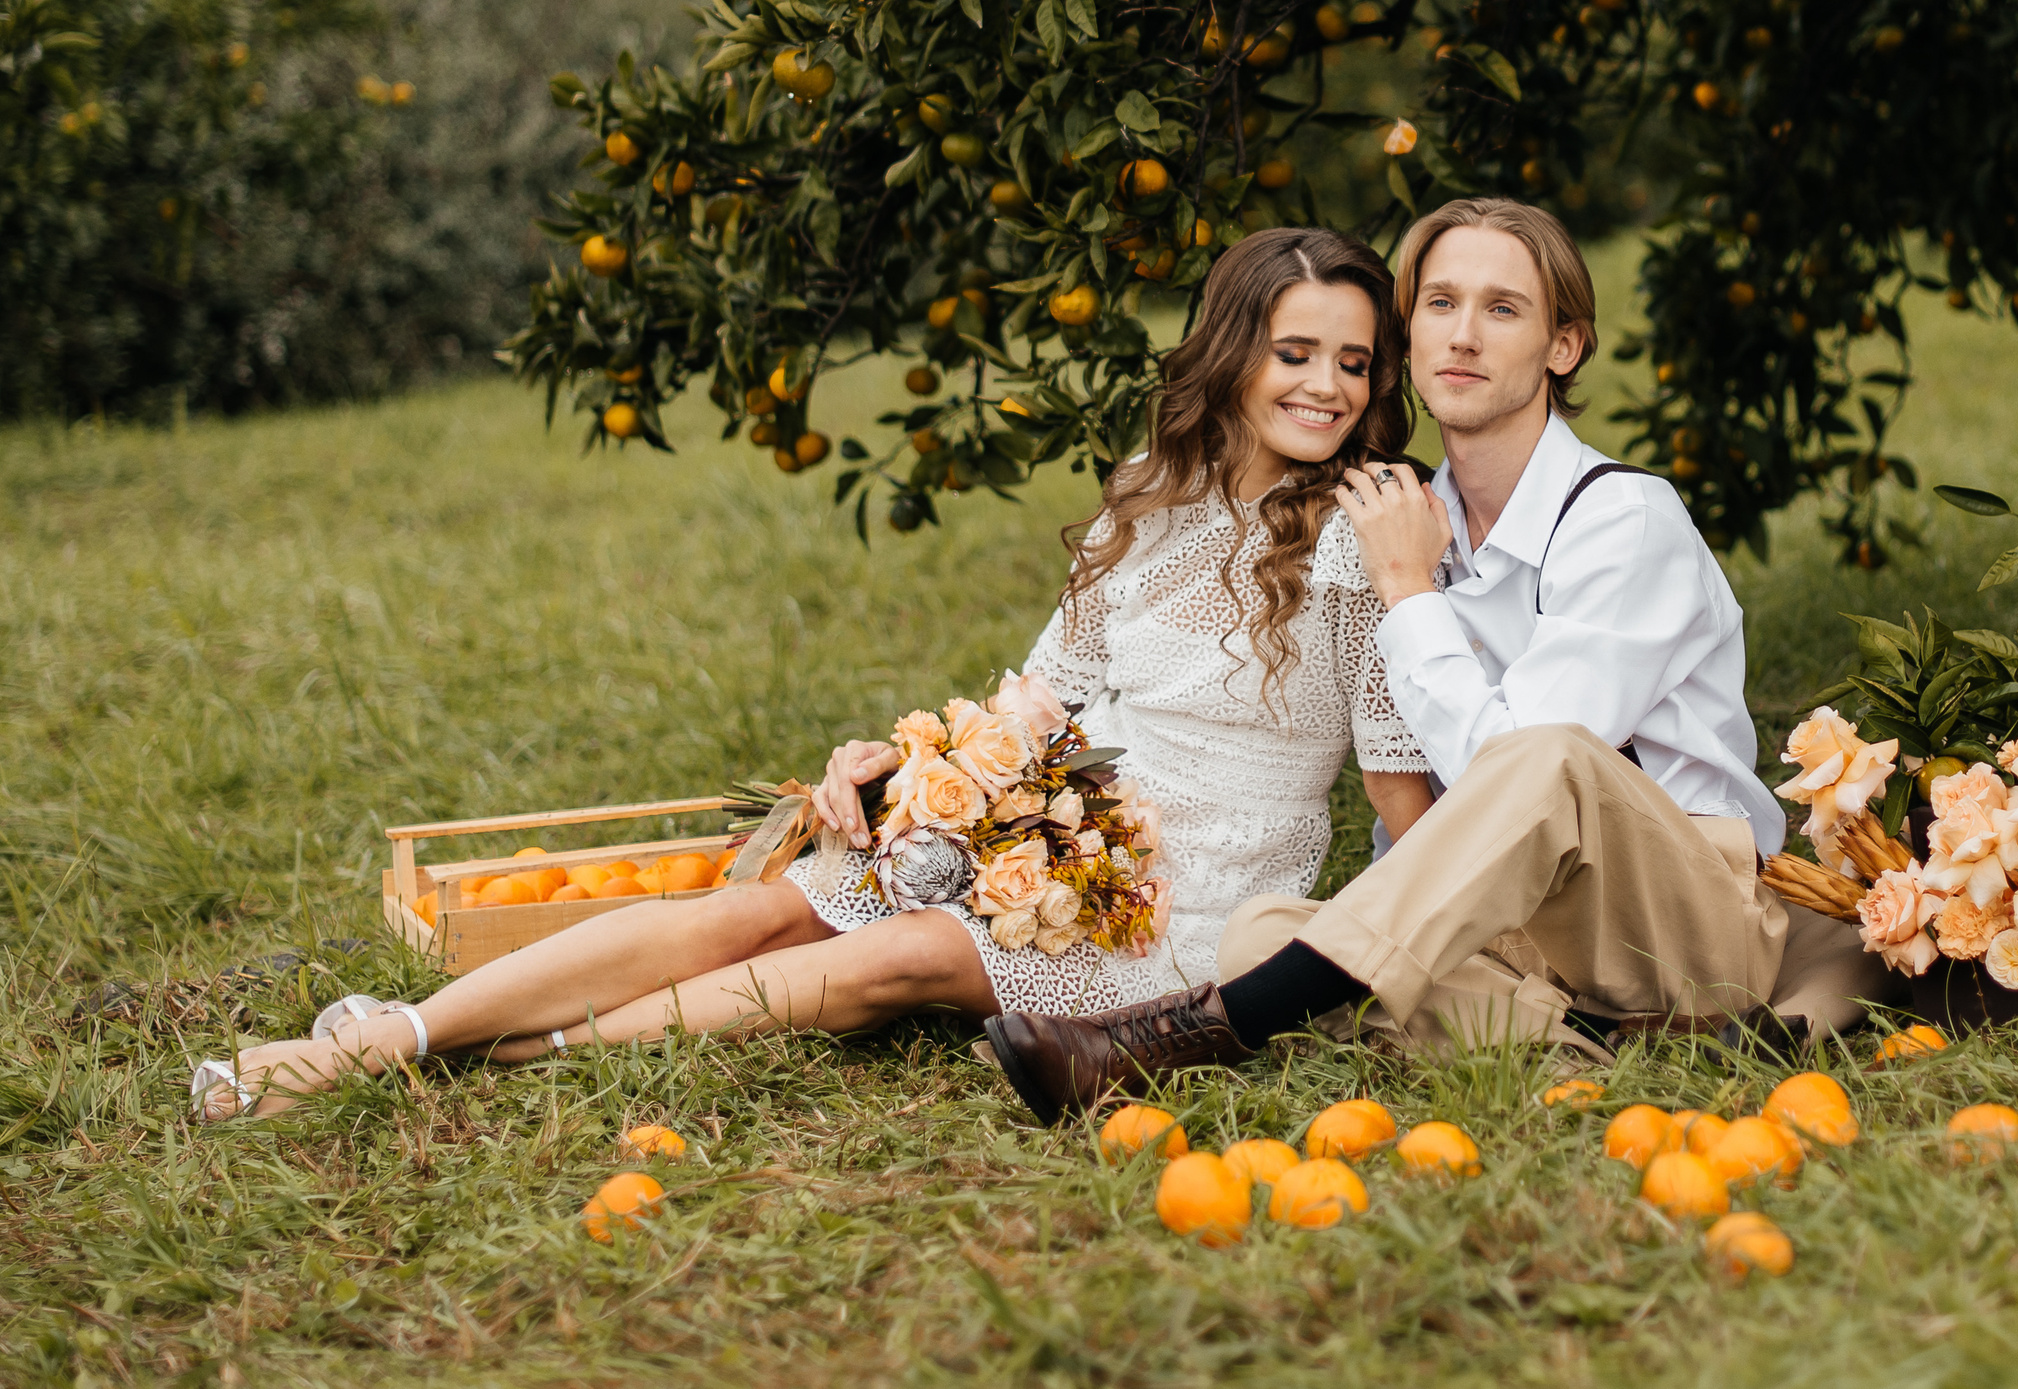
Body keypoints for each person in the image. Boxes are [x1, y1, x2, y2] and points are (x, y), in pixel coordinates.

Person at [191, 227, 1434, 1121]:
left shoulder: (1368, 529)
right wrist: (919, 762)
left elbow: (1398, 797)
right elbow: (1042, 692)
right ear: (1231, 354)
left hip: (1190, 904)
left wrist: (1373, 967)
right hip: (1052, 817)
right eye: (1297, 352)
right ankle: (400, 1032)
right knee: (763, 909)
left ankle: (463, 1056)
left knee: (884, 961)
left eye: (1356, 362)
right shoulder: (1146, 496)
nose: (1328, 385)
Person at [980, 197, 1894, 1125]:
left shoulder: (1623, 521)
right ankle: (1602, 1037)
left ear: (1562, 346)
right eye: (1440, 304)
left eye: (1503, 309)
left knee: (1549, 753)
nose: (1464, 335)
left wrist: (1411, 593)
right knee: (1259, 934)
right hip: (1512, 937)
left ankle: (1196, 1032)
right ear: (1407, 340)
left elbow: (1515, 772)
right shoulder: (1399, 519)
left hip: (1675, 915)